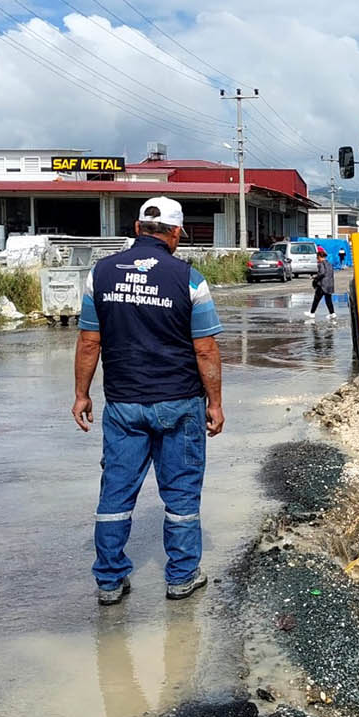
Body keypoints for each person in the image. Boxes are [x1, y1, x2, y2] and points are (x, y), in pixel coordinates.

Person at [72, 196, 225, 606]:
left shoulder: (100, 275)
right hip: (179, 402)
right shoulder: (190, 279)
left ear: (137, 228)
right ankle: (181, 577)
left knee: (116, 494)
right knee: (181, 494)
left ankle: (108, 582)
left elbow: (90, 341)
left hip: (123, 405)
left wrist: (82, 394)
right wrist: (215, 403)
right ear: (175, 234)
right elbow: (205, 349)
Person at [305, 247, 337, 323]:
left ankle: (312, 313)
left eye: (317, 258)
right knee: (328, 300)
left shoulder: (321, 264)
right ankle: (332, 313)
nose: (317, 259)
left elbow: (322, 273)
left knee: (316, 299)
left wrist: (315, 278)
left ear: (319, 257)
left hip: (322, 285)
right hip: (330, 285)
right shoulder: (329, 264)